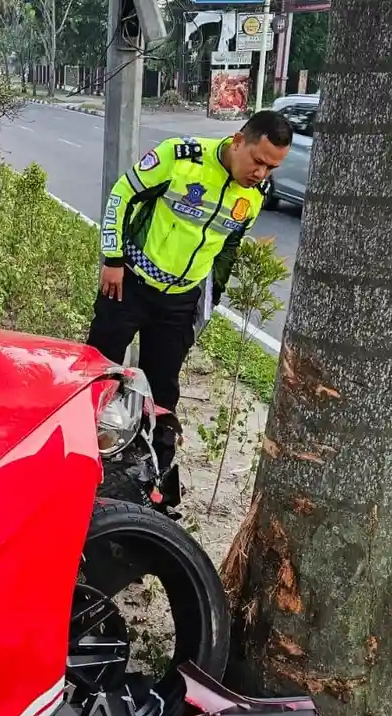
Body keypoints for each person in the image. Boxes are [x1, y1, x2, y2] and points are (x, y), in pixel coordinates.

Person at [87, 110, 293, 473]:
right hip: (128, 284)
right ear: (238, 141)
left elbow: (229, 244)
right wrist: (113, 258)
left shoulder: (254, 194)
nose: (261, 174)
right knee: (97, 373)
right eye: (258, 161)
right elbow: (122, 194)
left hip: (180, 302)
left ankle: (154, 480)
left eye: (271, 168)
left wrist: (209, 296)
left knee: (163, 392)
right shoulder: (180, 156)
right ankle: (80, 456)